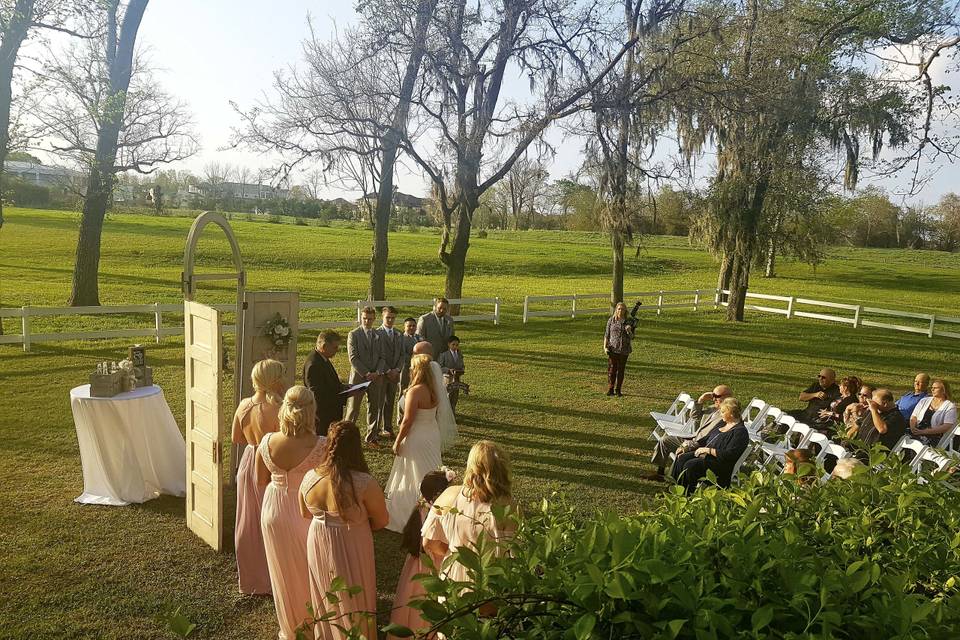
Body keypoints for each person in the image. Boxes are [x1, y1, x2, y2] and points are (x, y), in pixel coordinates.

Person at [299, 421, 388, 640]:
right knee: (355, 591)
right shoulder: (365, 483)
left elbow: (304, 513)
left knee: (325, 590)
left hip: (318, 537)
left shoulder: (309, 477)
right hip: (352, 540)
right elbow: (382, 521)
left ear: (329, 446)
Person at [257, 386, 327, 640]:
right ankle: (314, 624)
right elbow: (327, 485)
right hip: (305, 510)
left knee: (283, 571)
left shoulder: (266, 442)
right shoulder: (321, 445)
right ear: (311, 412)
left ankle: (291, 626)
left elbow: (260, 480)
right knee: (311, 567)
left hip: (273, 509)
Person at [422, 441, 515, 585]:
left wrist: (455, 553)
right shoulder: (508, 504)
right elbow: (514, 552)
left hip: (453, 576)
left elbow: (428, 542)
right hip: (491, 578)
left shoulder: (449, 495)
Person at [231, 359, 285, 595]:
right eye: (282, 375)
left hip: (248, 461)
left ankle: (252, 578)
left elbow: (236, 438)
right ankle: (273, 577)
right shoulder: (278, 409)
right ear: (274, 380)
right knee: (272, 519)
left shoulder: (244, 405)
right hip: (270, 463)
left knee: (247, 521)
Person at [389, 469, 452, 638]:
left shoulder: (421, 506)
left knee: (410, 602)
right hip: (433, 565)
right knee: (426, 606)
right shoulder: (439, 514)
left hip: (416, 566)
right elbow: (438, 545)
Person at [384, 354, 443, 532]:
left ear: (416, 370)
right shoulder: (434, 389)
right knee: (430, 468)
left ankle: (412, 513)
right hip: (432, 433)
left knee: (413, 472)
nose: (409, 370)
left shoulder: (415, 391)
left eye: (411, 367)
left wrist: (397, 441)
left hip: (417, 435)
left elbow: (407, 420)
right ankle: (432, 508)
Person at [643, 385, 733, 481]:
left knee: (682, 452)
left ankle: (672, 479)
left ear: (727, 397)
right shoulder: (713, 408)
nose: (713, 399)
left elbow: (712, 437)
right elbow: (694, 416)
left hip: (702, 444)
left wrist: (689, 445)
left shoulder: (727, 415)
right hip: (693, 438)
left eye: (716, 396)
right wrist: (701, 400)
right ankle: (660, 472)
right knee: (665, 440)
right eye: (712, 395)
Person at [671, 397, 750, 494]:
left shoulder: (740, 432)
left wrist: (708, 450)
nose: (721, 414)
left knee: (691, 465)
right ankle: (675, 491)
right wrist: (686, 447)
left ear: (731, 413)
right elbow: (705, 440)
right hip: (707, 458)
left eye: (723, 412)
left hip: (720, 466)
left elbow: (730, 455)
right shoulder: (723, 424)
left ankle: (686, 495)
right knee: (681, 458)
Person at [303, 330, 359, 436]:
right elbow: (317, 395)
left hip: (329, 414)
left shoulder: (322, 358)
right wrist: (345, 394)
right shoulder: (314, 364)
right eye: (335, 347)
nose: (337, 350)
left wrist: (345, 388)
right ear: (324, 346)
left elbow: (329, 384)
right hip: (323, 417)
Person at [346, 306, 385, 445]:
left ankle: (371, 436)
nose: (367, 321)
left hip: (376, 377)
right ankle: (346, 437)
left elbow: (382, 356)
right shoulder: (354, 334)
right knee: (353, 408)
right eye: (364, 319)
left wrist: (377, 372)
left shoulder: (379, 335)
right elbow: (353, 357)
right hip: (359, 377)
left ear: (374, 319)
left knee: (374, 407)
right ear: (361, 318)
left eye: (369, 319)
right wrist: (367, 373)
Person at [377, 306, 404, 438]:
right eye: (388, 317)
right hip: (382, 373)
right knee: (379, 401)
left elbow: (402, 354)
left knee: (390, 401)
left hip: (395, 374)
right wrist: (387, 370)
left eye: (393, 318)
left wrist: (397, 369)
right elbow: (377, 355)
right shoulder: (377, 333)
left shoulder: (399, 334)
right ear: (383, 317)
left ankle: (387, 427)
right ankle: (375, 429)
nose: (390, 320)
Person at [909, 379, 956, 445]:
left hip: (932, 435)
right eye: (932, 388)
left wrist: (924, 432)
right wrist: (913, 427)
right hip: (917, 431)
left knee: (917, 444)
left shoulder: (950, 406)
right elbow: (914, 416)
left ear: (944, 390)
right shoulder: (924, 400)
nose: (932, 390)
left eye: (935, 388)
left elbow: (947, 426)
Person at [603, 302, 634, 397]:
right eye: (619, 309)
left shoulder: (629, 322)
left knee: (621, 370)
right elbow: (606, 335)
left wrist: (629, 331)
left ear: (625, 311)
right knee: (612, 370)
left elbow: (633, 337)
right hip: (613, 349)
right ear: (616, 310)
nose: (621, 311)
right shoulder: (611, 321)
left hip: (624, 350)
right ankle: (610, 388)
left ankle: (618, 389)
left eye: (623, 309)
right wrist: (605, 347)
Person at [437, 334, 466, 414]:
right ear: (449, 344)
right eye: (453, 344)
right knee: (448, 396)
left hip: (457, 379)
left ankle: (452, 413)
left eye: (457, 345)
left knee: (455, 396)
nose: (455, 347)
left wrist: (462, 370)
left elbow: (462, 365)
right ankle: (445, 414)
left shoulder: (459, 354)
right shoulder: (444, 355)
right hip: (447, 379)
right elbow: (440, 366)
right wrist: (448, 370)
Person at [399, 317, 420, 393]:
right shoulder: (401, 338)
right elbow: (403, 354)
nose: (412, 327)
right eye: (409, 326)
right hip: (406, 368)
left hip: (418, 368)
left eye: (414, 326)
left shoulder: (419, 337)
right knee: (404, 389)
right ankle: (401, 405)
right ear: (404, 327)